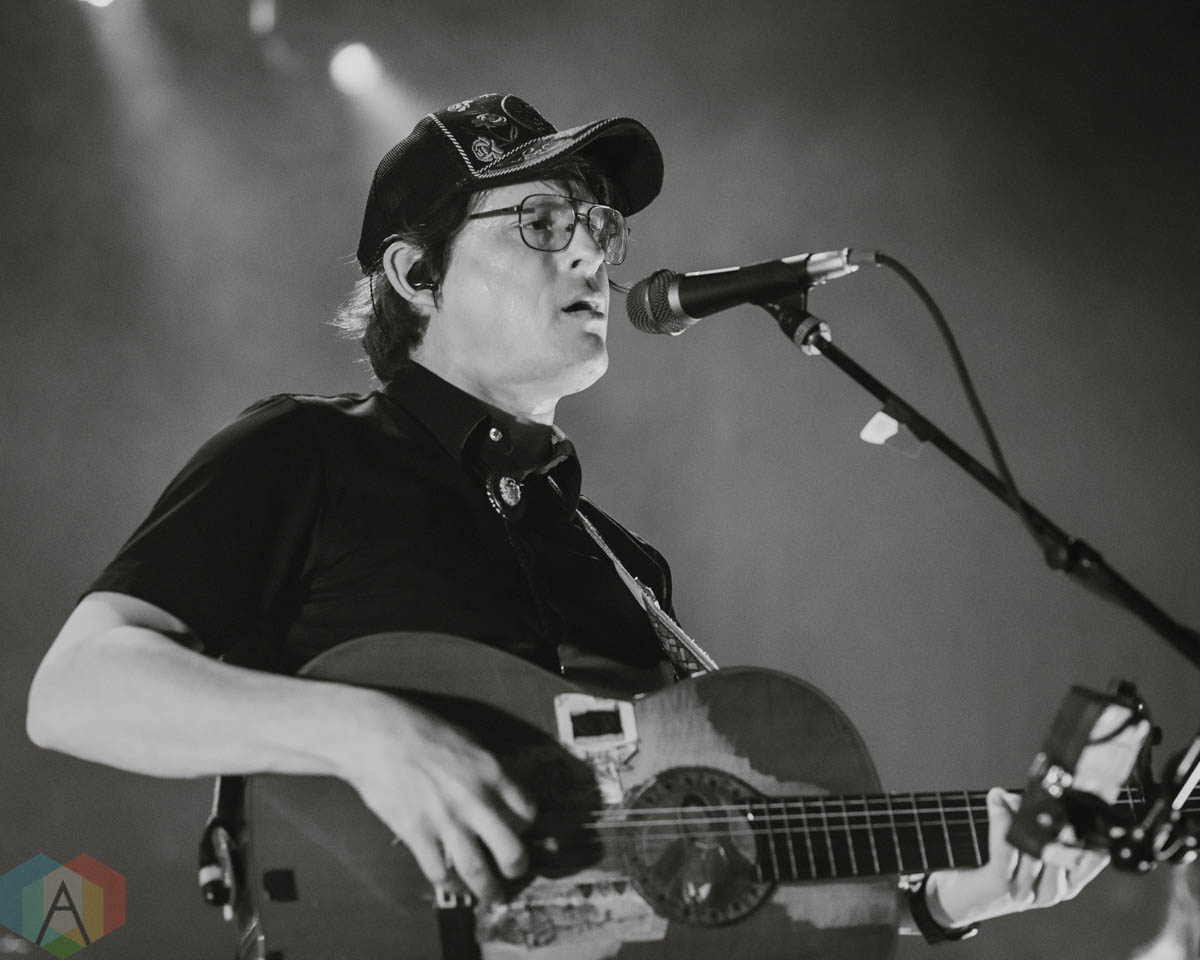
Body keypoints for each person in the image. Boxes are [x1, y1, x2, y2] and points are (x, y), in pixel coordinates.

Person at [27, 93, 1106, 949]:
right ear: (416, 272)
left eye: (598, 225)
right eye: (544, 222)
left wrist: (942, 899)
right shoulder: (306, 451)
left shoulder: (623, 563)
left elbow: (686, 878)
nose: (591, 252)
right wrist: (365, 734)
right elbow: (78, 690)